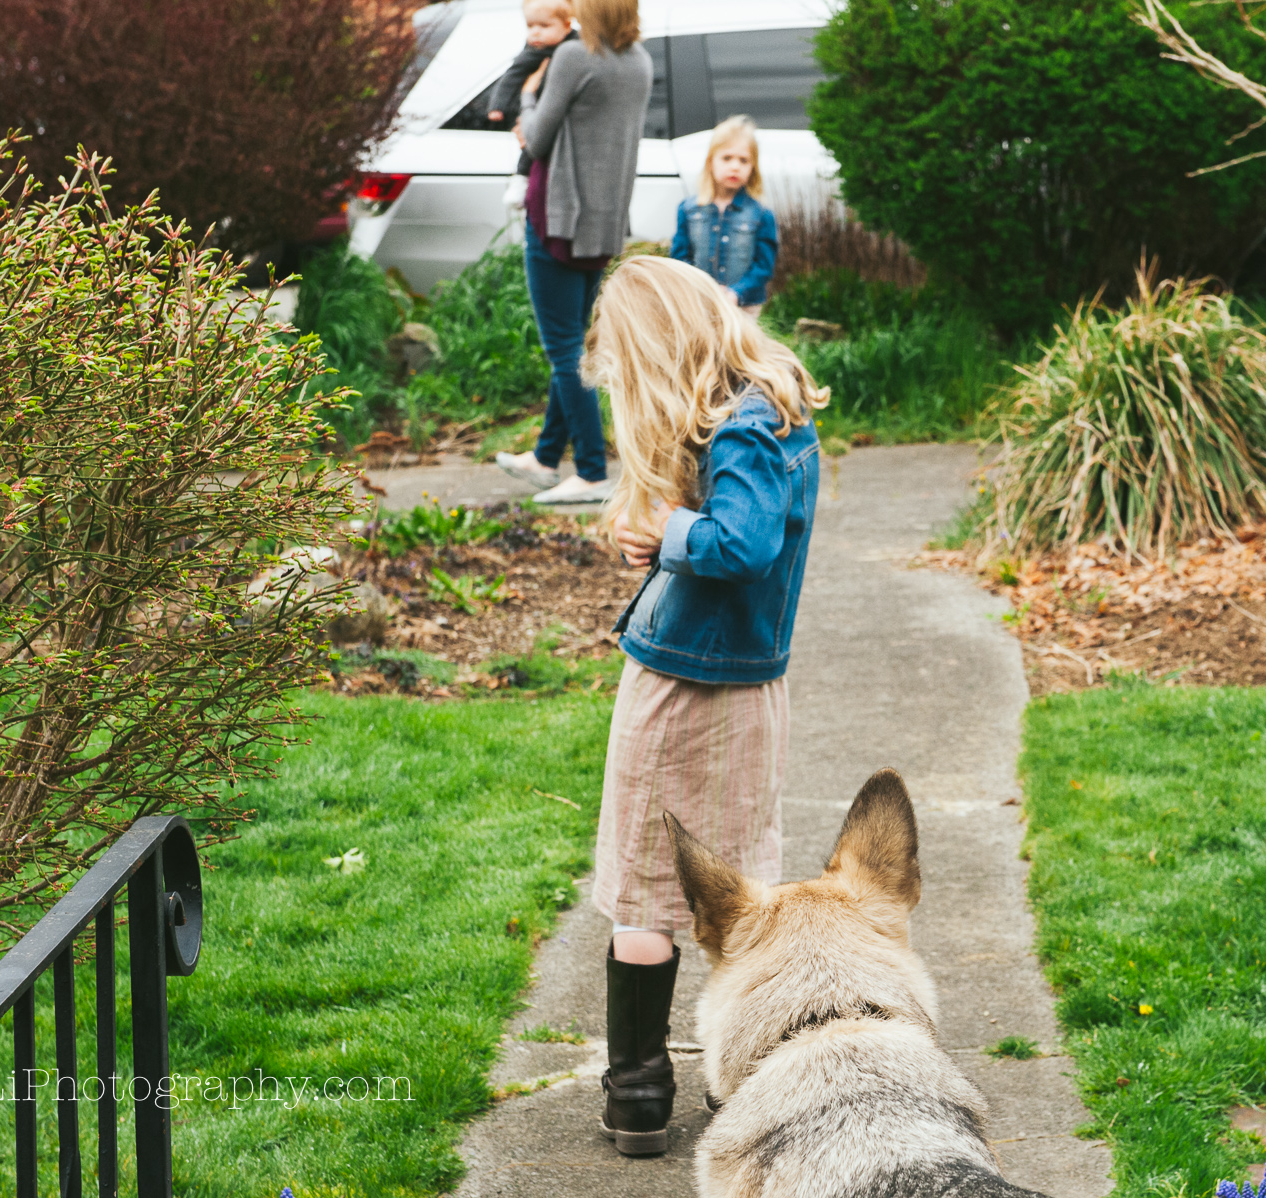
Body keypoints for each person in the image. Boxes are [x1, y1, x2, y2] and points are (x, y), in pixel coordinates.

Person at [580, 255, 828, 1156]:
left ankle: (639, 1093)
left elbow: (746, 543)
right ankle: (746, 1074)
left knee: (648, 893)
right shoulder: (772, 410)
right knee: (737, 887)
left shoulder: (742, 427)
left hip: (685, 691)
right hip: (747, 688)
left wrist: (667, 532)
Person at [494, 0, 651, 505]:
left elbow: (537, 139)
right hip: (604, 224)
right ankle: (545, 457)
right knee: (576, 345)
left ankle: (590, 470)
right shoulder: (640, 61)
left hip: (558, 218)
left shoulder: (574, 57)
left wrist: (526, 99)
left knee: (565, 350)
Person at [669, 116, 779, 320]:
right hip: (698, 304)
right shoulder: (689, 210)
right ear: (711, 162)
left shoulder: (762, 214)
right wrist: (702, 288)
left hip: (743, 308)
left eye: (743, 160)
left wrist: (735, 292)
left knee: (736, 351)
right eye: (727, 158)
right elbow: (679, 258)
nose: (735, 166)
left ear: (752, 167)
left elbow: (764, 266)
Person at [484, 0, 578, 210]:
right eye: (530, 26)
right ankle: (520, 180)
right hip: (535, 112)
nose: (535, 33)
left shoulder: (577, 46)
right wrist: (497, 105)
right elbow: (512, 76)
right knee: (530, 146)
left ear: (567, 25)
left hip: (557, 116)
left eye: (544, 26)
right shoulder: (533, 52)